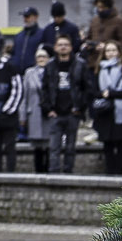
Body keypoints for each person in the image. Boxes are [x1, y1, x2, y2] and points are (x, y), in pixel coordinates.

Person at [39, 35, 86, 173]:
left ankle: (68, 173)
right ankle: (54, 173)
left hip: (73, 112)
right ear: (55, 47)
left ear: (71, 47)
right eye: (60, 44)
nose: (63, 47)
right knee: (54, 146)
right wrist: (48, 109)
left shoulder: (79, 64)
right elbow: (45, 89)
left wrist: (79, 107)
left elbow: (86, 88)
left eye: (66, 44)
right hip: (55, 112)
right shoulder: (50, 65)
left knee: (70, 147)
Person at [91, 41, 122, 174]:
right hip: (105, 112)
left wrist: (110, 93)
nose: (111, 53)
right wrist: (103, 94)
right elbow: (94, 91)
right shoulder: (98, 69)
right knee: (107, 144)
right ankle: (110, 172)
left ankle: (120, 172)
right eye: (108, 51)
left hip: (120, 112)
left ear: (119, 52)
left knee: (121, 144)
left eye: (114, 50)